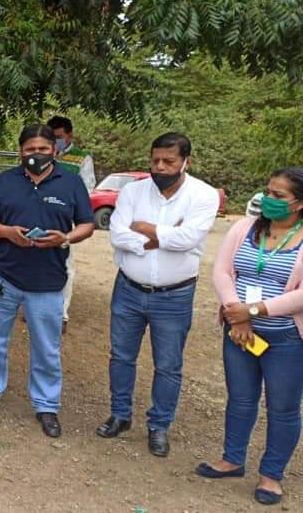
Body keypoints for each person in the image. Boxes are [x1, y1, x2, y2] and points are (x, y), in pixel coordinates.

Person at [0, 124, 94, 438]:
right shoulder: (6, 181)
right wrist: (7, 232)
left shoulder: (71, 182)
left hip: (48, 281)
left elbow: (87, 225)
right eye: (29, 150)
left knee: (47, 348)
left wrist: (65, 238)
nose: (36, 155)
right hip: (5, 275)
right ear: (20, 151)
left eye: (42, 149)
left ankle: (46, 405)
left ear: (54, 149)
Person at [97, 133, 219, 457]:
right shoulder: (133, 191)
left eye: (169, 161)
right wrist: (161, 237)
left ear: (186, 162)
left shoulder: (204, 195)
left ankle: (159, 425)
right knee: (121, 356)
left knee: (168, 365)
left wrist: (144, 228)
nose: (160, 167)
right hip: (128, 289)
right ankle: (120, 415)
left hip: (174, 296)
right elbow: (117, 234)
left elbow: (188, 239)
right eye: (155, 161)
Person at [196, 167, 303, 506]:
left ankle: (271, 475)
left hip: (287, 339)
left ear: (299, 203)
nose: (268, 199)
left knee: (283, 407)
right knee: (240, 399)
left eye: (278, 195)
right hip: (239, 332)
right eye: (267, 191)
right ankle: (232, 459)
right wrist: (236, 314)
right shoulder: (244, 228)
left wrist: (254, 311)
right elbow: (222, 271)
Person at [47, 115, 96, 329]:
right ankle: (36, 308)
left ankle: (62, 314)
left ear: (69, 136)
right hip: (39, 216)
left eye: (59, 137)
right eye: (52, 137)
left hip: (65, 219)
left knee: (65, 266)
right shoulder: (43, 154)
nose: (55, 141)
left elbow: (87, 189)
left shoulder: (81, 158)